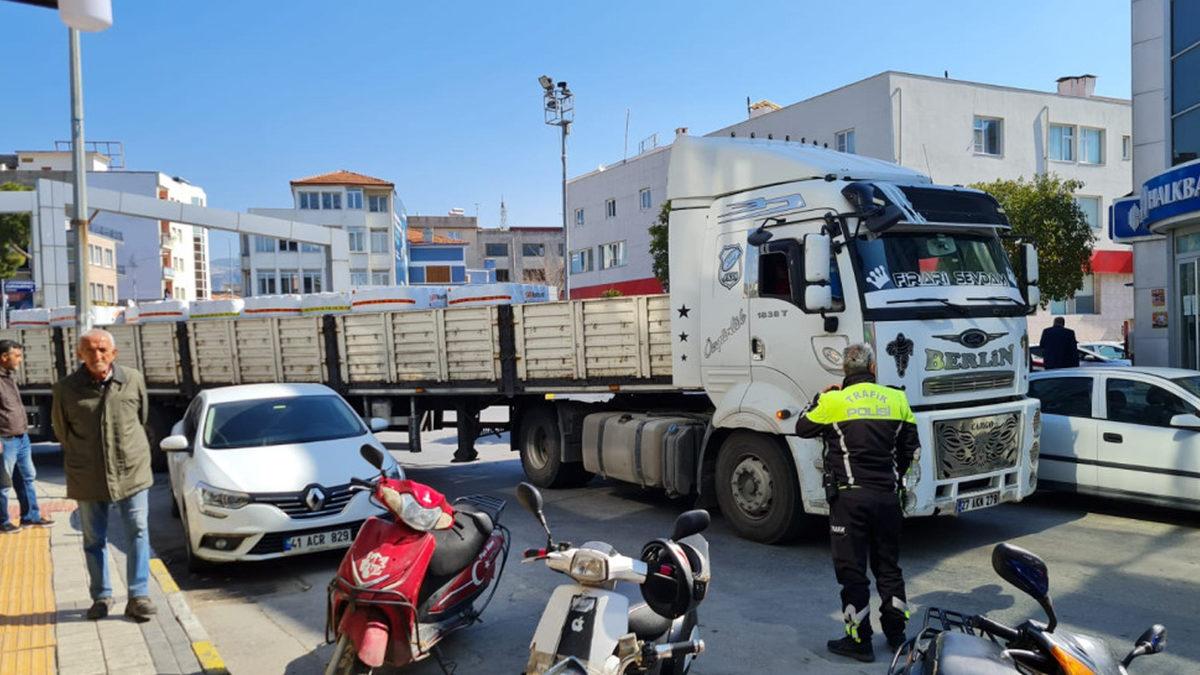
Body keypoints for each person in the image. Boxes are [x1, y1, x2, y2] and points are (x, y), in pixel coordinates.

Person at [794, 343, 920, 663]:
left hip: (849, 500)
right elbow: (910, 449)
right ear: (874, 369)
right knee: (889, 569)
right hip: (887, 498)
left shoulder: (833, 401)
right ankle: (896, 637)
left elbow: (802, 426)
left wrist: (819, 398)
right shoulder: (897, 398)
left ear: (844, 372)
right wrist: (893, 479)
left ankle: (859, 642)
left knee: (853, 574)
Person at [52, 329, 156, 622]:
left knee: (138, 531)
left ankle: (138, 596)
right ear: (79, 354)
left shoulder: (132, 379)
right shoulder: (66, 389)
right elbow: (62, 433)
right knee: (93, 539)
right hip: (89, 475)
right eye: (89, 350)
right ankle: (101, 596)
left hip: (132, 472)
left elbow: (142, 419)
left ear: (113, 354)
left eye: (102, 350)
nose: (96, 355)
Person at [0, 340, 54, 533]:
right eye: (17, 356)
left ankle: (30, 516)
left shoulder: (8, 377)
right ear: (4, 357)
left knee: (27, 477)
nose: (20, 360)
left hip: (21, 437)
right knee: (3, 483)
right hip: (4, 439)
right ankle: (3, 521)